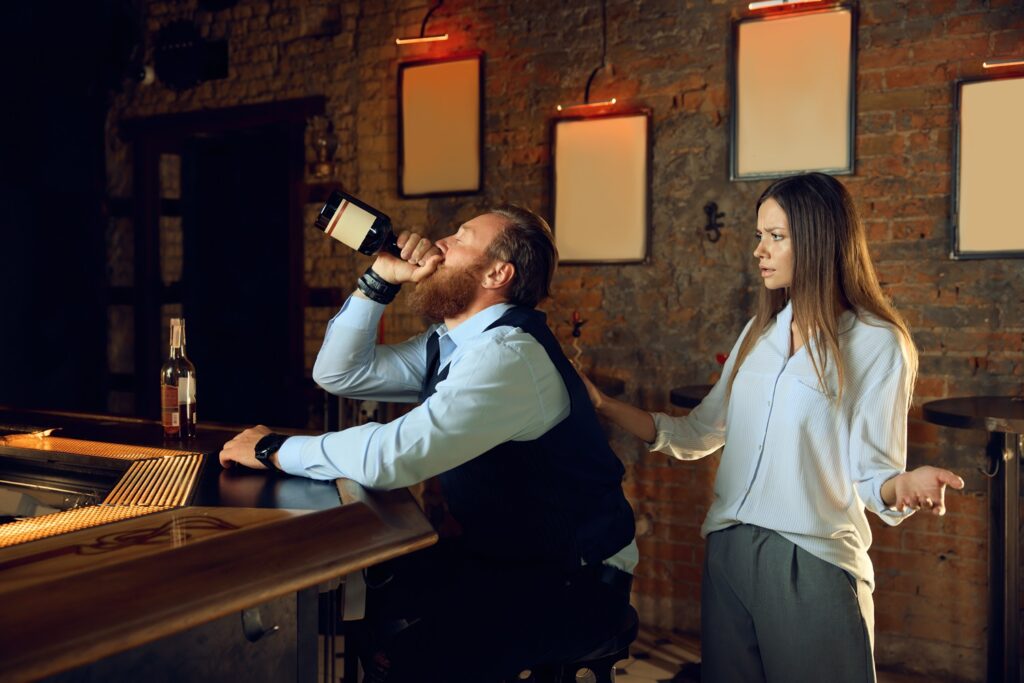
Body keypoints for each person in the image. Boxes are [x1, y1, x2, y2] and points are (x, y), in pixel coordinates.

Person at [220, 205, 637, 682]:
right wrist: (381, 277)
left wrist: (272, 448)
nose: (439, 243)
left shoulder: (509, 357)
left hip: (576, 580)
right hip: (504, 557)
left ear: (498, 273)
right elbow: (338, 373)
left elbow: (388, 458)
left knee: (418, 661)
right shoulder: (453, 343)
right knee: (368, 602)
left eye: (460, 237)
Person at [581, 173, 964, 682]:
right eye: (759, 236)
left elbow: (873, 476)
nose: (760, 250)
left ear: (821, 238)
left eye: (776, 237)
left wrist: (905, 485)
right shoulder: (760, 331)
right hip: (728, 553)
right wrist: (601, 402)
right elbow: (698, 432)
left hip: (811, 562)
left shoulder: (878, 343)